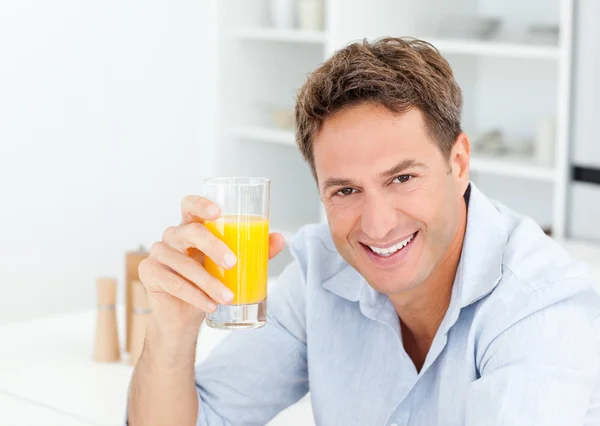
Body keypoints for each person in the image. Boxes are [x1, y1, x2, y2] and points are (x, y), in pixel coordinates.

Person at [126, 37, 600, 426]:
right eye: (346, 191)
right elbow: (202, 420)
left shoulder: (538, 307)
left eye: (402, 178)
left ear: (458, 164)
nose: (377, 225)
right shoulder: (321, 268)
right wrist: (170, 333)